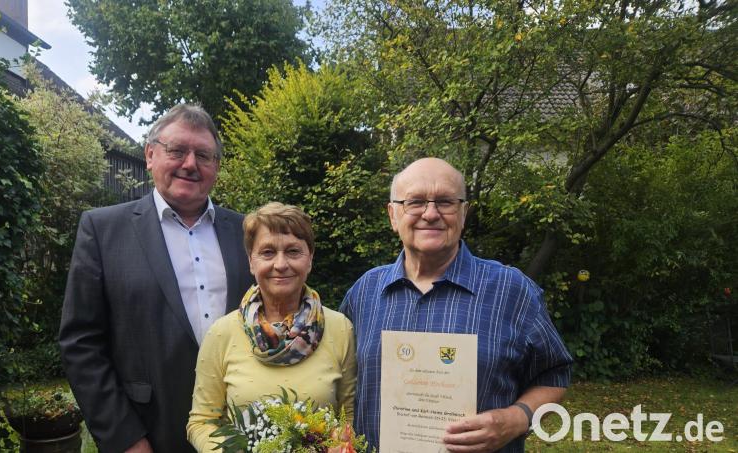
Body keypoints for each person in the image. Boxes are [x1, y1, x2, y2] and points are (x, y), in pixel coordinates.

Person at [340, 158, 572, 453]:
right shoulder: (365, 292)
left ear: (463, 213)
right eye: (415, 202)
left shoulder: (512, 291)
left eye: (446, 202)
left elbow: (554, 375)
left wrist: (514, 420)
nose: (431, 213)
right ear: (393, 215)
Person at [59, 104, 253, 452]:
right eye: (177, 151)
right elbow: (81, 343)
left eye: (203, 155)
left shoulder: (246, 232)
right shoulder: (103, 230)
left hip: (238, 432)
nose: (190, 164)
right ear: (150, 155)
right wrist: (126, 439)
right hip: (147, 432)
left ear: (216, 168)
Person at [187, 202, 357, 452]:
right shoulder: (222, 333)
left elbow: (349, 417)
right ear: (251, 262)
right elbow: (201, 422)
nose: (280, 264)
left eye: (293, 251)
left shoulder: (339, 329)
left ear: (309, 259)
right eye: (267, 252)